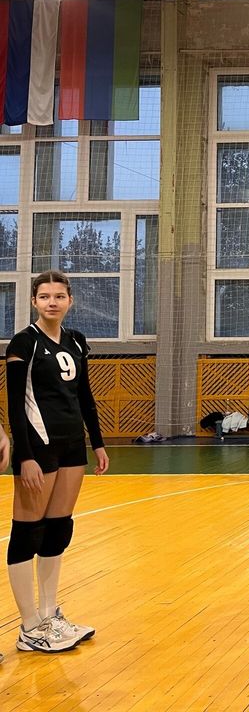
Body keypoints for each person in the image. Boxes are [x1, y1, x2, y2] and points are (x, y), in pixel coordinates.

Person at [6, 270, 107, 653]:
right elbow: (15, 404)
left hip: (71, 445)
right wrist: (24, 456)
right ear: (34, 301)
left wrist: (97, 443)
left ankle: (50, 616)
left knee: (59, 529)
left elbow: (85, 397)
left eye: (59, 296)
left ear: (70, 301)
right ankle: (30, 626)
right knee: (27, 532)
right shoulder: (24, 342)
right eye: (45, 296)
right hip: (39, 446)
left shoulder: (76, 341)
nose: (52, 302)